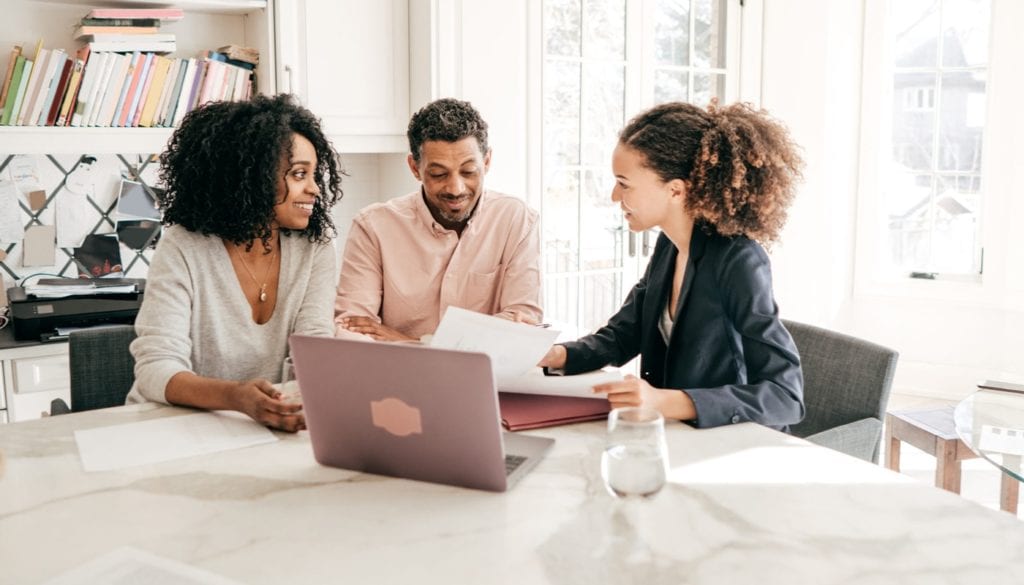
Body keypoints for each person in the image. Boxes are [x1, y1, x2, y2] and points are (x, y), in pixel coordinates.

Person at [539, 101, 805, 431]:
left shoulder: (738, 260)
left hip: (731, 442)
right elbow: (625, 334)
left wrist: (665, 402)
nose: (613, 196)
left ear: (676, 190)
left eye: (624, 183)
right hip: (677, 437)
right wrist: (555, 355)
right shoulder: (670, 245)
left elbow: (785, 396)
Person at [126, 94, 345, 432]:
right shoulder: (184, 247)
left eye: (314, 174)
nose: (315, 189)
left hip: (264, 424)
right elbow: (156, 368)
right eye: (299, 174)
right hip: (175, 427)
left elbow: (313, 348)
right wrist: (236, 397)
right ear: (254, 176)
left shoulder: (314, 247)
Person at [334, 98, 542, 341]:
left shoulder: (517, 221)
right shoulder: (372, 227)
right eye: (439, 174)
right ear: (415, 167)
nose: (456, 188)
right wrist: (485, 334)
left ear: (486, 162)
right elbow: (352, 329)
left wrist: (412, 342)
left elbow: (523, 324)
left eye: (468, 172)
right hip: (398, 378)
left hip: (486, 378)